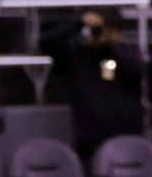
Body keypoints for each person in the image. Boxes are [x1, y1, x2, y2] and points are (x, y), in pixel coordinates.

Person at [40, 9, 146, 164]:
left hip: (128, 137)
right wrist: (78, 22)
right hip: (90, 140)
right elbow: (47, 42)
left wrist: (109, 46)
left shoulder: (129, 52)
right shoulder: (78, 57)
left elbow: (137, 70)